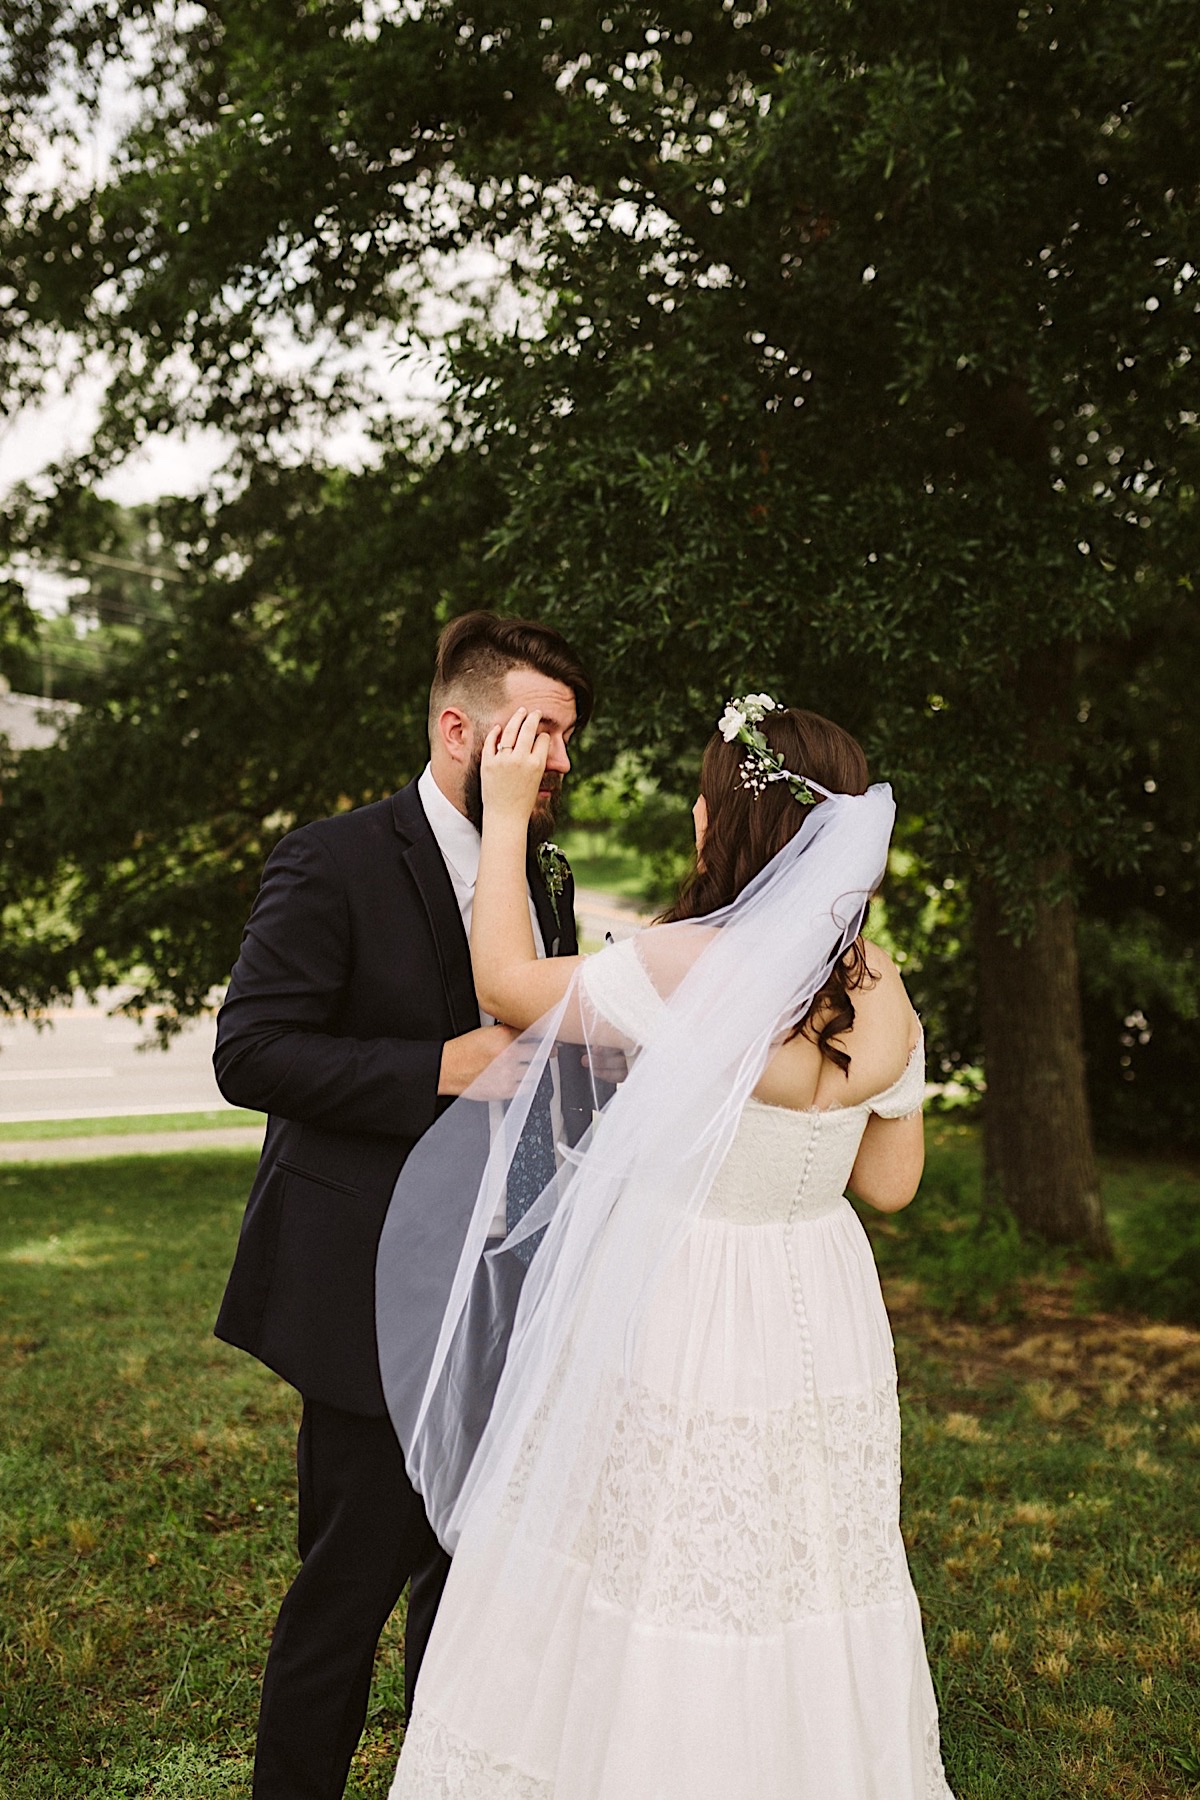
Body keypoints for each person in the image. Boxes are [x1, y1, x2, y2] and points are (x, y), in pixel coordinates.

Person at [384, 695, 955, 1799]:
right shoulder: (882, 988)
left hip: (683, 1294)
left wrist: (505, 819)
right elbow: (891, 1184)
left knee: (645, 1559)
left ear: (716, 829)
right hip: (817, 1301)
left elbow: (505, 984)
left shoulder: (691, 966)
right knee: (802, 1562)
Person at [211, 612, 594, 1800]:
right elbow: (250, 1053)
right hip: (368, 1300)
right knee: (345, 1594)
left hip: (501, 1303)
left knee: (464, 1587)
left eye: (570, 738)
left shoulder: (539, 874)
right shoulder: (331, 859)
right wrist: (432, 1066)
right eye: (541, 732)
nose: (561, 763)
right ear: (458, 728)